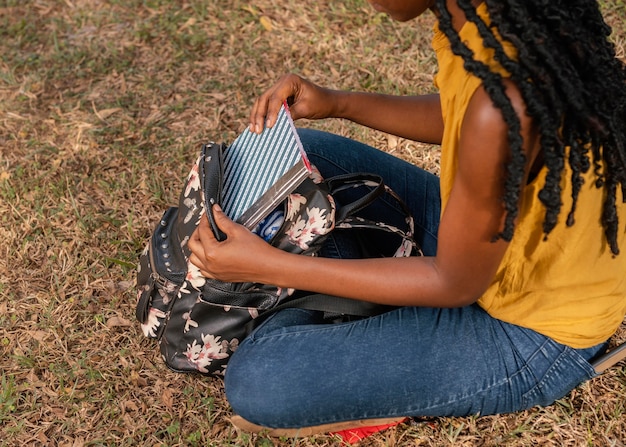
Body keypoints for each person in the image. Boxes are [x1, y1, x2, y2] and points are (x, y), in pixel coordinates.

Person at [187, 0, 626, 435]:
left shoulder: (502, 104)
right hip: (498, 248)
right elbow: (461, 115)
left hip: (533, 331)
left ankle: (341, 308)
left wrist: (267, 265)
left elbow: (454, 282)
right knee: (313, 153)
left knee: (262, 379)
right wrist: (339, 103)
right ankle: (353, 294)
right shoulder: (495, 19)